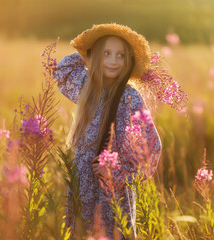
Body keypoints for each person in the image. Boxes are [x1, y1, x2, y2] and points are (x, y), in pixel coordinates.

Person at [53, 23, 162, 239]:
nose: (113, 61)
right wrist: (88, 54)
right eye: (106, 53)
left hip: (113, 192)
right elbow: (63, 70)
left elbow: (152, 147)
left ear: (128, 60)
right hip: (83, 185)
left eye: (121, 55)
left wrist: (121, 174)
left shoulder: (130, 98)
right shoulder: (88, 87)